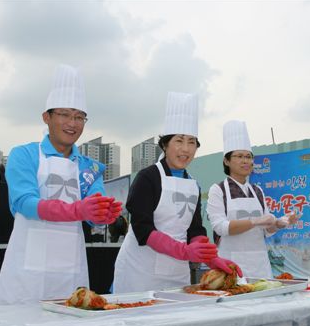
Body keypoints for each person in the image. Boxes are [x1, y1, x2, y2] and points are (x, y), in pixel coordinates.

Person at [0, 64, 122, 305]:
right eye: (64, 114)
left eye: (79, 117)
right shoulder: (25, 155)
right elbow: (24, 202)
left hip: (70, 273)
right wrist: (77, 210)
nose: (72, 123)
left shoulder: (89, 167)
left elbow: (93, 213)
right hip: (25, 276)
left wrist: (104, 214)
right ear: (47, 117)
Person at [113, 92, 242, 294]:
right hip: (140, 272)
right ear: (165, 144)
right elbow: (142, 228)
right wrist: (184, 251)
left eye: (192, 142)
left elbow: (195, 229)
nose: (186, 149)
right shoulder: (148, 178)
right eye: (179, 141)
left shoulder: (192, 184)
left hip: (176, 274)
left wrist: (211, 258)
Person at [206, 120, 299, 279]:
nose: (245, 161)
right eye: (239, 156)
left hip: (259, 264)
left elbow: (267, 230)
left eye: (249, 157)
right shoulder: (218, 190)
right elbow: (220, 227)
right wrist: (254, 221)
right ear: (226, 161)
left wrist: (279, 223)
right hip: (231, 263)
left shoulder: (258, 191)